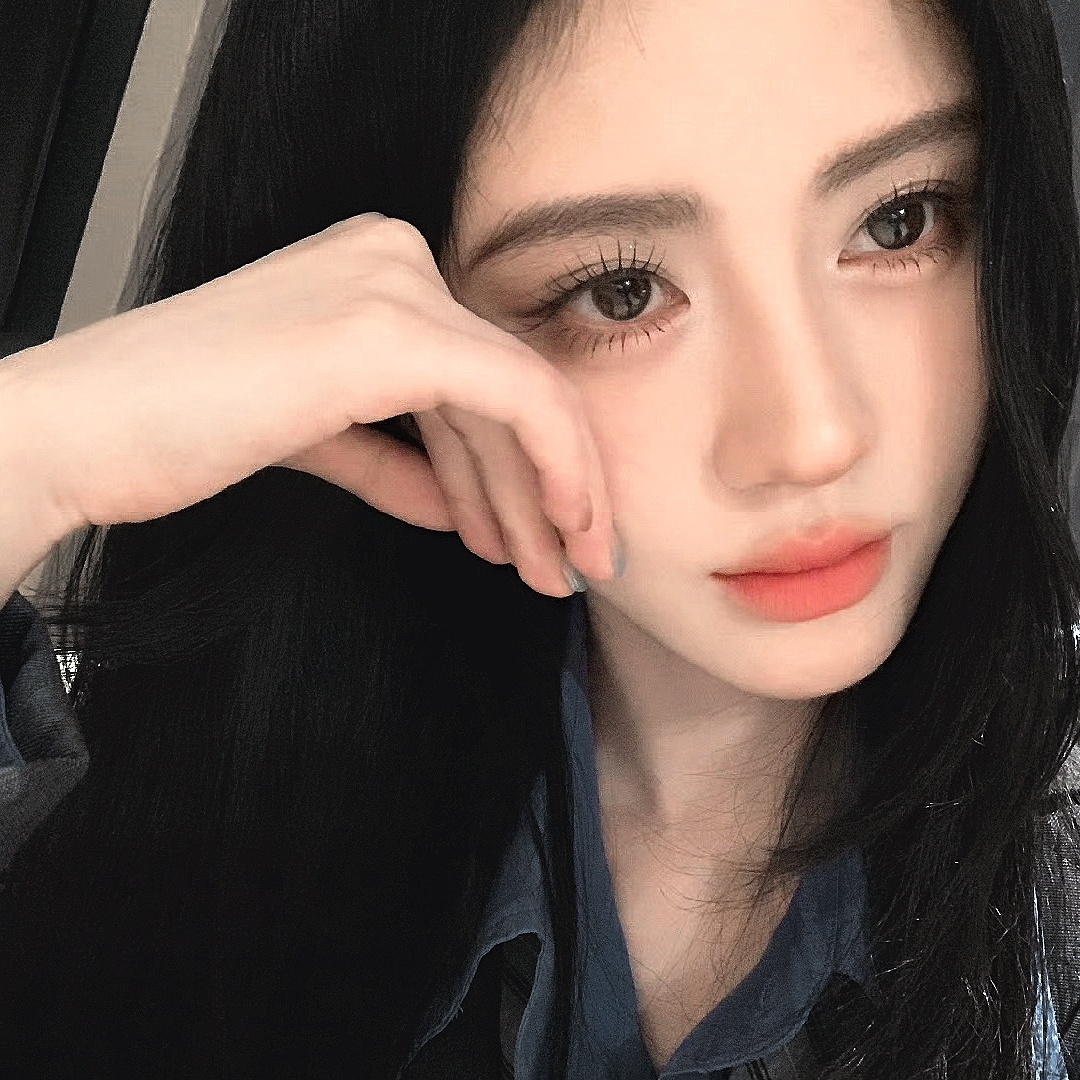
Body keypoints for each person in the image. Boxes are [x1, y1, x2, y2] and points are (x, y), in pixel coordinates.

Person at [0, 0, 1077, 1076]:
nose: (813, 438)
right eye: (620, 292)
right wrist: (33, 446)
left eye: (900, 222)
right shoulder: (169, 805)